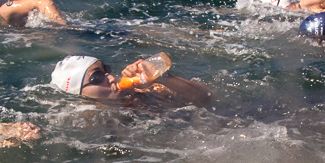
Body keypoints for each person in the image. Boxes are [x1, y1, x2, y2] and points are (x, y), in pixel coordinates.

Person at [51, 55, 211, 108]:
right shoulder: (88, 120)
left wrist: (163, 78)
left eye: (106, 69)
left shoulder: (147, 91)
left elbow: (208, 99)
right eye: (97, 77)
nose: (111, 77)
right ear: (78, 93)